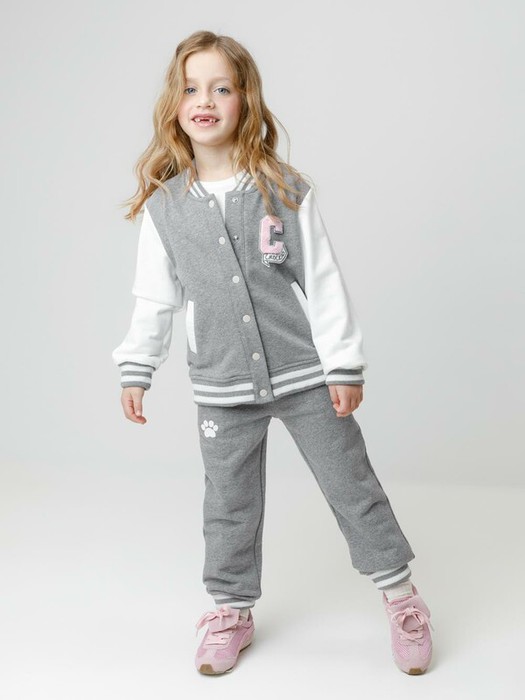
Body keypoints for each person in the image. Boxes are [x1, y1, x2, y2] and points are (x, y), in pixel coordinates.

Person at [112, 30, 434, 676]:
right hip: (221, 384)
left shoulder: (282, 190)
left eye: (221, 88)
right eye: (191, 88)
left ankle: (402, 599)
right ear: (175, 103)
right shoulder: (165, 208)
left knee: (351, 485)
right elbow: (154, 297)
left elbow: (323, 281)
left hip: (305, 374)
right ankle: (230, 610)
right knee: (228, 503)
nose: (205, 100)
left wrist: (342, 362)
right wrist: (137, 366)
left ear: (246, 100)